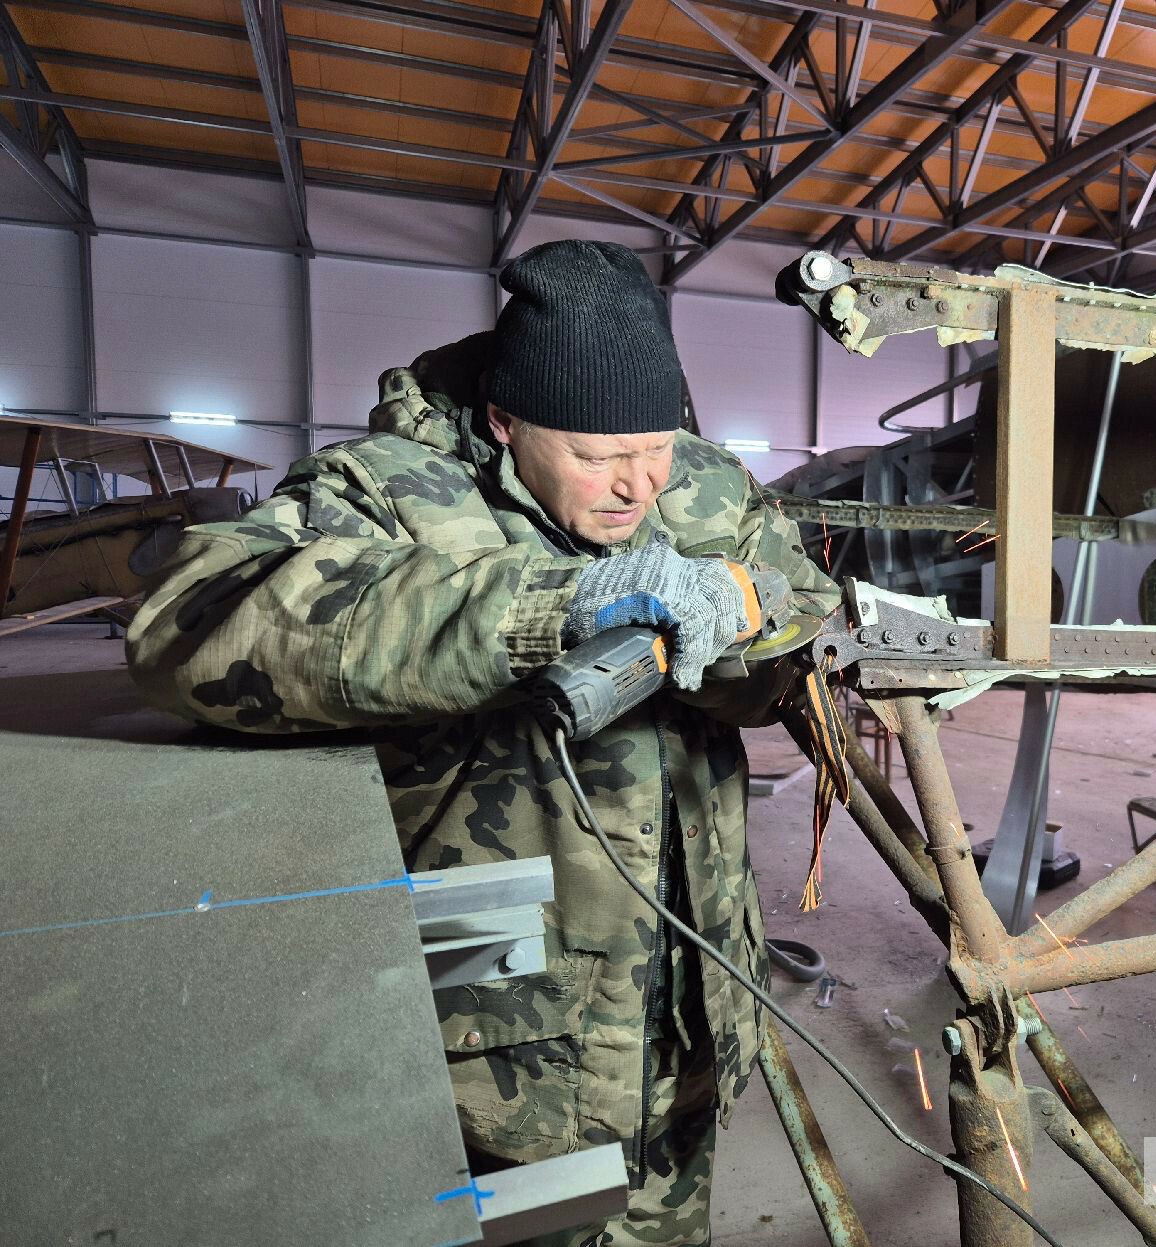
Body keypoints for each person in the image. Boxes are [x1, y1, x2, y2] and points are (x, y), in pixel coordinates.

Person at [126, 240, 840, 1245]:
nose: (637, 486)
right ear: (506, 422)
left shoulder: (706, 491)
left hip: (686, 1010)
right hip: (493, 1038)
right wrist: (544, 608)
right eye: (596, 456)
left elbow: (810, 610)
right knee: (518, 1223)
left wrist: (742, 627)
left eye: (657, 446)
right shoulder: (385, 492)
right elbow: (183, 623)